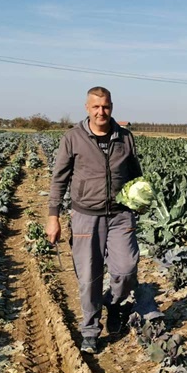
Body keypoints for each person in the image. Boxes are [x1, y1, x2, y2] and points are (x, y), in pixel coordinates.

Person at [45, 86, 142, 354]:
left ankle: (112, 303)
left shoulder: (125, 137)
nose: (102, 111)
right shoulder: (73, 138)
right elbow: (59, 180)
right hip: (86, 216)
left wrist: (141, 200)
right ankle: (89, 329)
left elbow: (136, 175)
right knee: (89, 277)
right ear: (87, 108)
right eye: (96, 107)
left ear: (112, 107)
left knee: (126, 269)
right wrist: (53, 217)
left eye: (106, 106)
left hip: (121, 214)